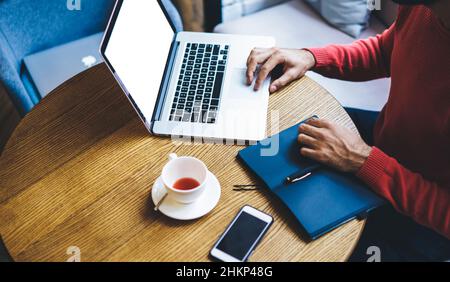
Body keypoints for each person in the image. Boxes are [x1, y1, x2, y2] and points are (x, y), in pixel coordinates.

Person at [246, 0, 450, 261]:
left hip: (418, 222)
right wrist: (311, 57)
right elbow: (387, 50)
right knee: (270, 139)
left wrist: (363, 160)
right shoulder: (420, 7)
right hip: (382, 141)